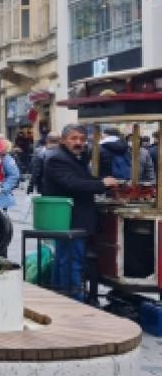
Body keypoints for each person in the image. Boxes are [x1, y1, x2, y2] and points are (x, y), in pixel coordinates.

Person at [44, 124, 122, 298]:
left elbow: (84, 179)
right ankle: (73, 297)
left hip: (73, 217)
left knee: (65, 258)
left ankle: (60, 292)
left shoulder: (74, 158)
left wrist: (104, 182)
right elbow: (73, 183)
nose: (78, 142)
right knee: (72, 259)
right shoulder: (58, 159)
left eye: (81, 139)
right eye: (73, 138)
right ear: (63, 140)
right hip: (71, 217)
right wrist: (102, 184)